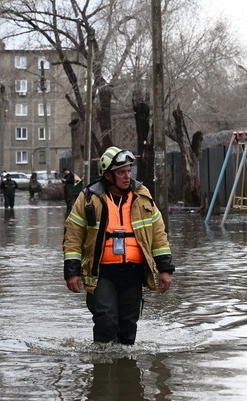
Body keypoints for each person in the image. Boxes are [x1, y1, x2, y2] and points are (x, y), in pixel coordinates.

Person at [62, 146, 175, 345]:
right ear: (108, 175)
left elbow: (158, 236)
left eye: (129, 171)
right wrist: (72, 272)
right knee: (106, 319)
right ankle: (102, 360)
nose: (127, 176)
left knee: (128, 327)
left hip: (133, 273)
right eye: (121, 172)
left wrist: (165, 269)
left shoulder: (142, 197)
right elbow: (73, 236)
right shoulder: (88, 199)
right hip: (102, 273)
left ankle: (124, 363)